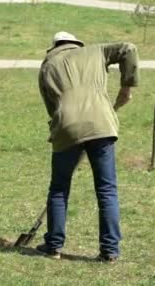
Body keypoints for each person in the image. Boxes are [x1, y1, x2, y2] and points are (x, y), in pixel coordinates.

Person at [36, 31, 139, 263]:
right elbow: (129, 48)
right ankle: (110, 251)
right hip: (102, 123)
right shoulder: (97, 51)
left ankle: (53, 246)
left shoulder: (47, 67)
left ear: (54, 47)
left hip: (66, 127)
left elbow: (51, 108)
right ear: (76, 44)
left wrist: (61, 131)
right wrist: (127, 88)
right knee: (107, 190)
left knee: (59, 189)